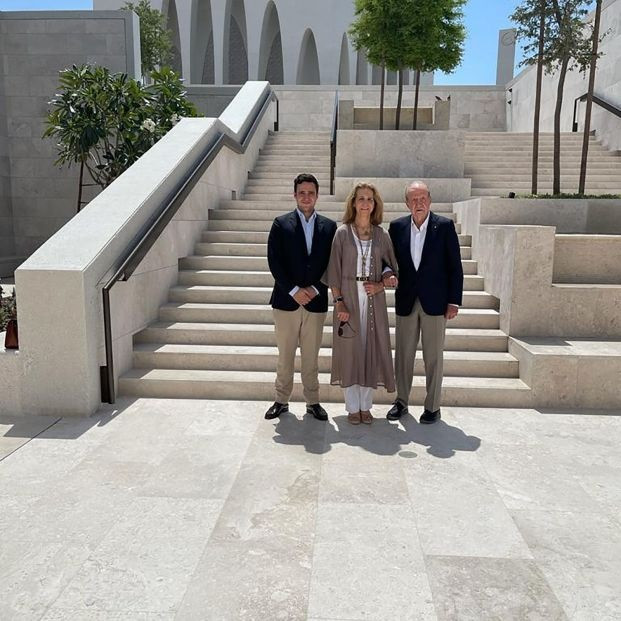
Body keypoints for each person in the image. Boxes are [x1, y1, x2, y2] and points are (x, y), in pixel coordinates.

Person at [386, 180, 463, 424]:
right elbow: (388, 260)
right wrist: (387, 272)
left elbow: (455, 267)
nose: (419, 203)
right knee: (404, 356)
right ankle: (401, 401)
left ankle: (433, 406)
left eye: (423, 198)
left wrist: (454, 301)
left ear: (429, 200)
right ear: (407, 203)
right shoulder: (396, 227)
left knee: (434, 357)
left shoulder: (445, 226)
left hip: (436, 302)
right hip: (406, 300)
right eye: (414, 199)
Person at [264, 173, 337, 421]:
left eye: (311, 192)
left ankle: (312, 402)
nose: (306, 197)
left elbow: (332, 263)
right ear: (295, 195)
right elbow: (275, 262)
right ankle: (281, 400)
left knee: (311, 358)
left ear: (317, 195)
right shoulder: (280, 223)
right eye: (302, 192)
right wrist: (294, 290)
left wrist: (316, 289)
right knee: (285, 356)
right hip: (286, 302)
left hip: (316, 303)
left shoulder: (329, 227)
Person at [327, 182, 398, 425]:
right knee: (350, 351)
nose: (365, 203)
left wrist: (382, 283)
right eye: (361, 198)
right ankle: (352, 407)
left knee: (371, 350)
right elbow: (334, 272)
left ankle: (366, 407)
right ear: (353, 203)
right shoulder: (342, 233)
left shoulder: (381, 234)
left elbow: (391, 266)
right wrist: (338, 303)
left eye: (370, 199)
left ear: (375, 204)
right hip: (348, 295)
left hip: (373, 299)